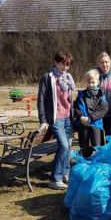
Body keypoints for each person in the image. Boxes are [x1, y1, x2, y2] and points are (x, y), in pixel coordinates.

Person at [37, 51, 75, 190]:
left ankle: (65, 173)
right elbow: (41, 100)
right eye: (62, 64)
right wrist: (43, 120)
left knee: (69, 145)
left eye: (67, 65)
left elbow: (69, 100)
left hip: (67, 118)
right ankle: (55, 178)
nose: (65, 67)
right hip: (55, 118)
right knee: (63, 146)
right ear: (55, 62)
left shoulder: (68, 78)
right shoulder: (48, 77)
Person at [74, 69, 108, 147]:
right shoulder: (81, 95)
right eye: (89, 82)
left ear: (98, 82)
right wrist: (81, 117)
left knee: (96, 147)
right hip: (82, 123)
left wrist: (90, 118)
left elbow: (103, 109)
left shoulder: (101, 95)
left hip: (95, 123)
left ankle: (96, 159)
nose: (91, 84)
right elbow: (76, 107)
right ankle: (84, 159)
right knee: (84, 147)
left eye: (93, 82)